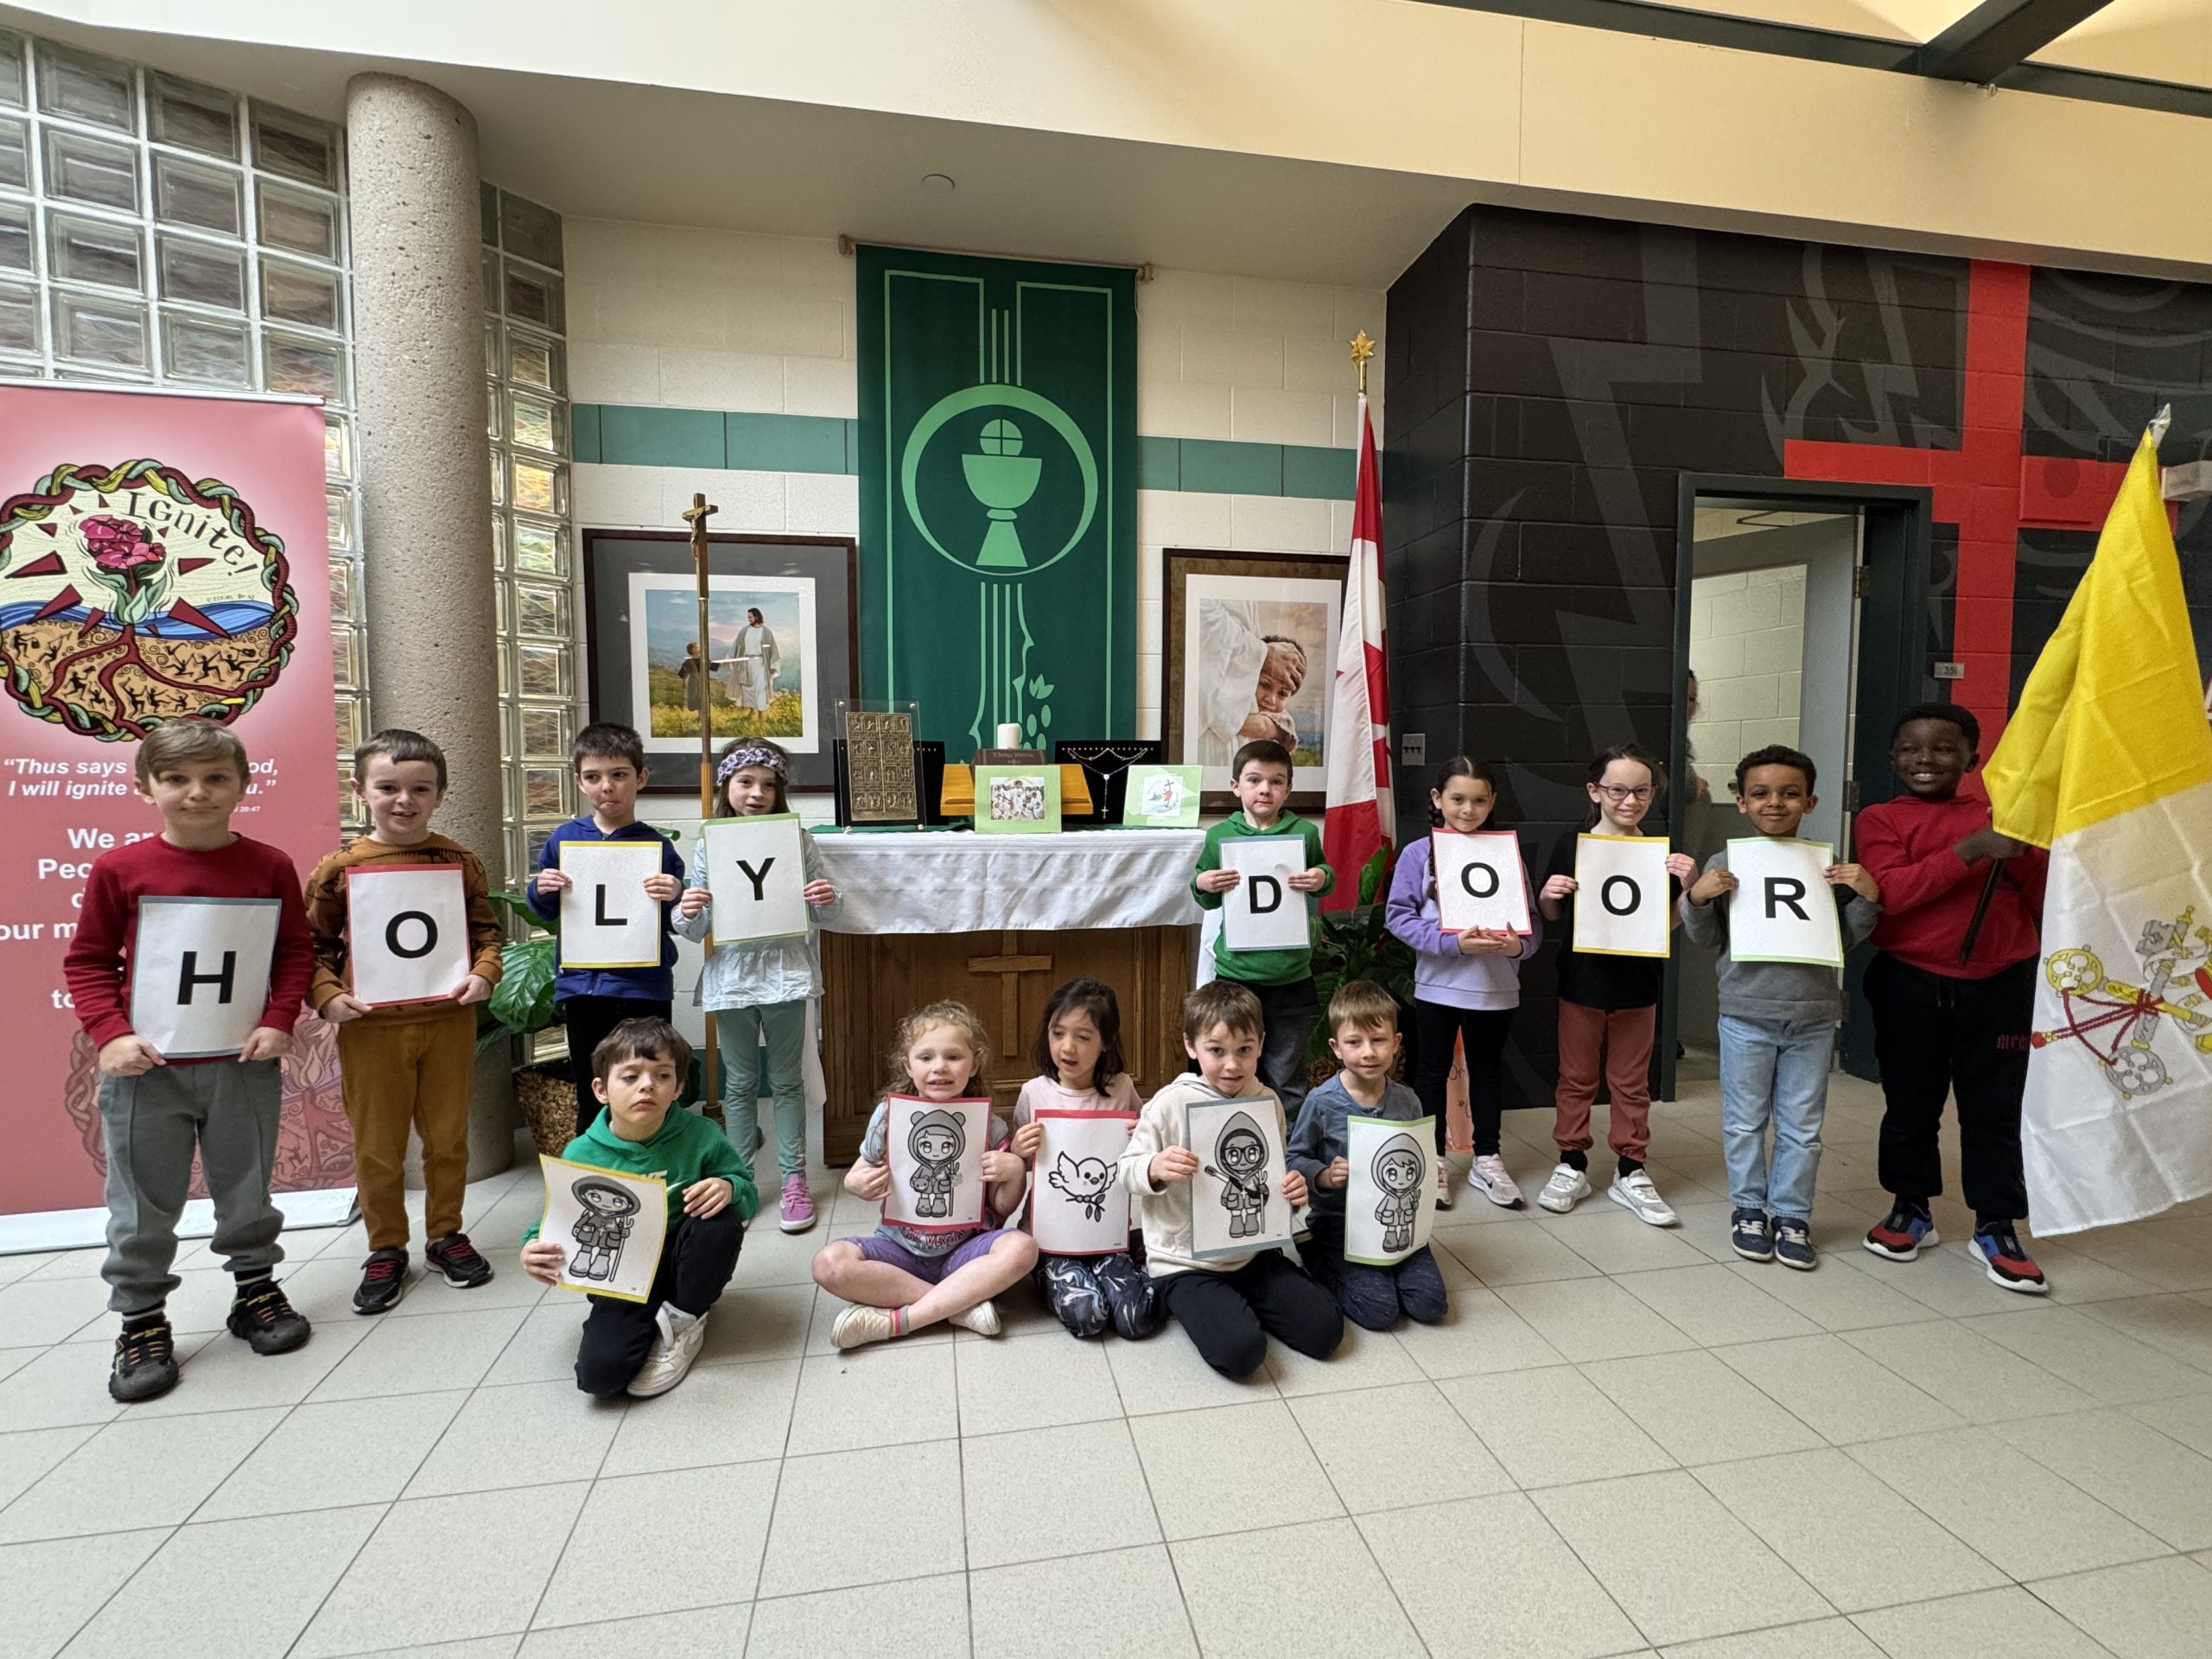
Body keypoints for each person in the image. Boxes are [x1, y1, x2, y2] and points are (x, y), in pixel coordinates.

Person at [61, 717, 316, 1402]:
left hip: (242, 1061)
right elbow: (87, 961)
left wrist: (278, 1018)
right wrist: (110, 1034)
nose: (196, 792)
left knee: (247, 1185)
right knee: (142, 1203)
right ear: (146, 786)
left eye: (214, 778)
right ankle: (141, 1320)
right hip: (148, 1071)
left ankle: (255, 1290)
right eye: (176, 779)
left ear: (242, 786)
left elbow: (294, 951)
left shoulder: (269, 865)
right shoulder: (121, 869)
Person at [304, 728, 503, 1315]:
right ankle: (386, 1245)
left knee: (447, 1138)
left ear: (440, 793)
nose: (404, 800)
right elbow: (313, 946)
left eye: (420, 788)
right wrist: (327, 996)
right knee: (379, 1146)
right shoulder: (338, 868)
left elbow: (487, 933)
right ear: (360, 789)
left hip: (447, 1021)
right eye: (388, 787)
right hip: (371, 1028)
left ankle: (446, 1234)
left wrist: (484, 974)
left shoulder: (459, 861)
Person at [1853, 704, 2051, 1294]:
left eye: (1943, 748)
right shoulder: (1879, 818)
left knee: (1994, 1110)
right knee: (1910, 1103)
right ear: (1893, 758)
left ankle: (1997, 1221)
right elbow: (1891, 893)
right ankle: (1910, 1206)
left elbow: (2047, 894)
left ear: (1974, 757)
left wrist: (2020, 847)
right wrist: (1973, 850)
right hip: (1909, 980)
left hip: (2000, 984)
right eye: (1911, 748)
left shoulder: (2006, 815)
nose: (1925, 759)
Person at [1680, 745, 1882, 1270]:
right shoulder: (1725, 862)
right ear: (1741, 802)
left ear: (1810, 801)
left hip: (1813, 1015)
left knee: (1802, 1125)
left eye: (1790, 794)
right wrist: (1697, 898)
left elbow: (1843, 940)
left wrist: (1867, 897)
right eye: (1761, 794)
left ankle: (1792, 1213)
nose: (1776, 803)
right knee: (1746, 1121)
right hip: (1746, 1012)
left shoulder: (1829, 864)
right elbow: (1706, 940)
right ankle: (1749, 1208)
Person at [520, 1019, 753, 1396]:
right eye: (630, 1077)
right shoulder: (581, 1153)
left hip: (686, 1261)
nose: (647, 1085)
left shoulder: (702, 1135)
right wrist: (532, 1248)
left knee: (719, 1221)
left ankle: (685, 1319)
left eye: (662, 1075)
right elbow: (555, 1219)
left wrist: (729, 1187)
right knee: (600, 1379)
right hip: (621, 1275)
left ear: (678, 1087)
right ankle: (646, 1318)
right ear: (601, 1090)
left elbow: (746, 1192)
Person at [1121, 980, 1341, 1377]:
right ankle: (1194, 1299)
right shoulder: (1169, 1103)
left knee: (1325, 1333)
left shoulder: (1267, 1100)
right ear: (1191, 1046)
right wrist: (1154, 1168)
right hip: (1185, 1262)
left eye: (1244, 1050)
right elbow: (1125, 1170)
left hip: (1253, 1253)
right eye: (1216, 1051)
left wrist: (1292, 1190)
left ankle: (1242, 1296)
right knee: (1241, 1354)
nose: (1232, 1065)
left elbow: (1272, 1172)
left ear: (1261, 1043)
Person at [675, 738, 838, 1231]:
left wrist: (824, 897)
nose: (757, 793)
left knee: (787, 1081)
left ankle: (794, 1180)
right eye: (746, 782)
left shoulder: (798, 841)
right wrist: (688, 908)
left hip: (786, 973)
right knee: (740, 1083)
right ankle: (740, 1178)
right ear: (727, 786)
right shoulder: (710, 844)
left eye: (768, 784)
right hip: (733, 977)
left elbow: (829, 912)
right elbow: (694, 929)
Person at [811, 1001, 1037, 1347]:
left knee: (1022, 1248)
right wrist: (854, 1182)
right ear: (909, 1065)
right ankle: (957, 1305)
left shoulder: (989, 1127)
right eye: (926, 1057)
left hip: (965, 1251)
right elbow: (860, 1168)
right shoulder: (889, 1116)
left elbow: (1002, 1207)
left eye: (954, 1057)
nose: (940, 1068)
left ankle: (899, 1321)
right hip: (898, 1252)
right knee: (829, 1265)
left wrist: (1015, 1170)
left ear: (974, 1063)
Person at [1535, 745, 1697, 1225]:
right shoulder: (1572, 844)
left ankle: (1631, 1168)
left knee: (1631, 1082)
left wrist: (1688, 891)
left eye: (1642, 790)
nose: (1630, 800)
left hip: (1638, 983)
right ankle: (1571, 1162)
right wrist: (1548, 895)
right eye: (1618, 790)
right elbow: (1551, 914)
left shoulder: (1661, 853)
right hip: (1582, 980)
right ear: (1595, 791)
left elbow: (1663, 924)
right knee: (1576, 1077)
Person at [1385, 755, 1539, 1211]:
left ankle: (1487, 1158)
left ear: (1492, 801)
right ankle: (1431, 1160)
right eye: (1457, 799)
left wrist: (1515, 947)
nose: (1468, 810)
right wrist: (1453, 945)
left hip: (1495, 988)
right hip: (1438, 985)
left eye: (1478, 800)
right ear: (1438, 799)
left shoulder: (1507, 854)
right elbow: (1398, 917)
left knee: (1488, 1071)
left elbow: (1530, 925)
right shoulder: (1419, 853)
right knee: (1430, 1071)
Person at [524, 721, 688, 1137]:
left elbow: (676, 920)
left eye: (619, 775)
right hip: (584, 987)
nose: (607, 787)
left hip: (644, 986)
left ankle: (654, 1174)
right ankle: (595, 1180)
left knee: (650, 1084)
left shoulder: (658, 846)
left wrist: (675, 894)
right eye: (594, 777)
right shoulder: (564, 839)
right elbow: (545, 910)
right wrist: (541, 888)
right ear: (579, 781)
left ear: (641, 778)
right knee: (592, 1087)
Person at [1287, 981, 1449, 1330]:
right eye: (1354, 1043)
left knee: (1430, 1305)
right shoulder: (1321, 1102)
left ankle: (1388, 1268)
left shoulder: (1408, 1100)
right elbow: (1295, 1158)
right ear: (1336, 1048)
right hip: (1340, 1227)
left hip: (1401, 1226)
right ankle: (1315, 1254)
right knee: (1379, 1312)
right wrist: (1325, 1176)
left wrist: (1430, 1173)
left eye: (1378, 1040)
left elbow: (1416, 1153)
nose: (1369, 1053)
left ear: (1396, 1043)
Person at [1008, 976, 1160, 1340]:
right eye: (1058, 1033)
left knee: (1136, 1320)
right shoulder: (1034, 1093)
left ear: (1106, 1042)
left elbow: (1145, 1152)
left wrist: (1139, 1137)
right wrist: (1018, 1151)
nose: (1067, 1047)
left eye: (1083, 1036)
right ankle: (1050, 1276)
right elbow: (1022, 1168)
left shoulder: (1122, 1088)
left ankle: (1139, 1258)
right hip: (1051, 1239)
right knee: (1089, 1316)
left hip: (1106, 1233)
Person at [1191, 737, 1333, 1122]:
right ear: (1236, 785)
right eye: (1254, 780)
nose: (1265, 789)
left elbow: (1326, 875)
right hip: (1236, 976)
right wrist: (1204, 884)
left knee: (1287, 1076)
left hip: (1290, 974)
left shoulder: (1303, 833)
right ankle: (1229, 1139)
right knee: (1231, 1069)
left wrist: (1320, 876)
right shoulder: (1220, 836)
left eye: (1276, 781)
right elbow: (1204, 893)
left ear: (1288, 788)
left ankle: (1289, 1154)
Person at [1193, 599, 1307, 766]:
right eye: (1265, 685)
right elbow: (1200, 613)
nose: (1271, 699)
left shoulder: (1278, 718)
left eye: (1283, 693)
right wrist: (1262, 653)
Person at [716, 605, 781, 715]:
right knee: (747, 689)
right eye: (748, 617)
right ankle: (752, 711)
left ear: (756, 617)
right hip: (746, 664)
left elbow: (773, 650)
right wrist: (729, 659)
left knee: (760, 688)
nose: (749, 619)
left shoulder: (766, 632)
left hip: (761, 664)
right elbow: (736, 645)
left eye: (750, 617)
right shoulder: (744, 631)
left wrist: (773, 666)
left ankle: (761, 714)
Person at [677, 641, 706, 714]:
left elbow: (714, 667)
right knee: (694, 699)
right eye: (697, 647)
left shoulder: (704, 660)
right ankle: (699, 717)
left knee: (702, 699)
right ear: (692, 650)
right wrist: (684, 683)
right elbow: (682, 674)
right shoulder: (688, 662)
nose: (699, 648)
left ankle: (701, 716)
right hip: (693, 684)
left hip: (703, 683)